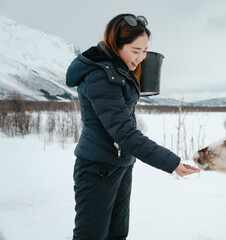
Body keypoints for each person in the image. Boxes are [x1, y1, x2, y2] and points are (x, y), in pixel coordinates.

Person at [66, 13, 200, 240]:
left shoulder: (118, 71)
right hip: (98, 168)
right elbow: (125, 133)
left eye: (145, 51)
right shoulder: (101, 77)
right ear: (116, 45)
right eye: (135, 51)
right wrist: (173, 163)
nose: (140, 58)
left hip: (121, 164)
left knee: (118, 234)